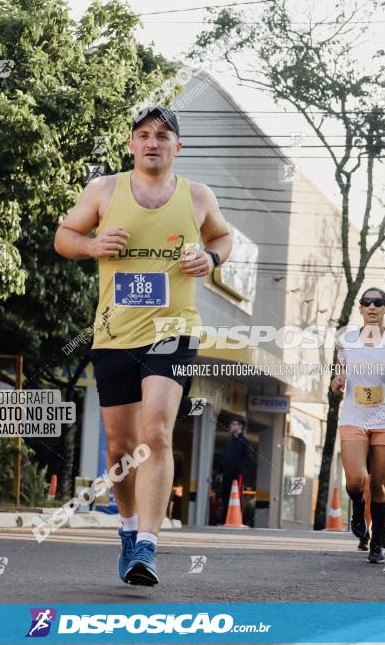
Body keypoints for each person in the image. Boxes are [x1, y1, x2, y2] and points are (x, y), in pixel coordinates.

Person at [54, 106, 232, 586]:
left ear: (178, 147)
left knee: (156, 432)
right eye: (143, 134)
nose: (153, 141)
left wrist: (211, 258)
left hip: (174, 328)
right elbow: (64, 235)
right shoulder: (104, 191)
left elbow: (222, 235)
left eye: (163, 135)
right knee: (121, 445)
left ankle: (149, 547)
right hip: (115, 332)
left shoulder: (197, 196)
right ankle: (129, 526)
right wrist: (91, 246)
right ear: (131, 145)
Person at [331, 287, 385, 564]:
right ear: (360, 308)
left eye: (378, 302)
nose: (372, 306)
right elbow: (338, 373)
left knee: (379, 485)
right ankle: (358, 507)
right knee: (356, 481)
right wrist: (336, 381)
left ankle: (376, 543)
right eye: (366, 302)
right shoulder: (346, 340)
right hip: (354, 418)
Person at [220, 418, 253, 523]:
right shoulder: (229, 442)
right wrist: (220, 472)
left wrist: (241, 470)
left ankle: (236, 519)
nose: (231, 426)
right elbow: (224, 457)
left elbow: (249, 458)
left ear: (240, 427)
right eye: (231, 424)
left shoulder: (245, 442)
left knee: (236, 496)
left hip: (237, 474)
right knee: (225, 496)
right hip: (226, 474)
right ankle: (226, 519)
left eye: (234, 424)